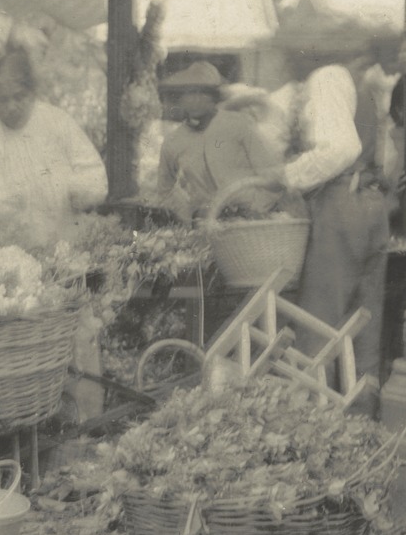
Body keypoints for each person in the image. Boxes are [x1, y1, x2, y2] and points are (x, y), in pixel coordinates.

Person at [285, 57, 392, 412]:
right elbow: (384, 159)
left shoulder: (327, 77)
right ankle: (363, 422)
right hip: (372, 205)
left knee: (318, 323)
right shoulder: (364, 88)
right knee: (365, 324)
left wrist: (287, 177)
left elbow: (341, 149)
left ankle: (315, 426)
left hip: (339, 204)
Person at [0, 49, 107, 249]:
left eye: (19, 97)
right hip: (9, 250)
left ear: (32, 93)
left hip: (65, 244)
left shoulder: (57, 121)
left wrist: (78, 190)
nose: (11, 106)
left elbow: (95, 176)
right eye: (3, 99)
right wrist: (9, 202)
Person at [155, 62, 286, 221]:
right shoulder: (173, 142)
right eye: (189, 93)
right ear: (180, 98)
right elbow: (164, 190)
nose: (196, 99)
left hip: (253, 224)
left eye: (203, 93)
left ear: (214, 97)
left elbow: (272, 176)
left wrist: (256, 209)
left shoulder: (239, 124)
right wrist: (189, 211)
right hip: (207, 225)